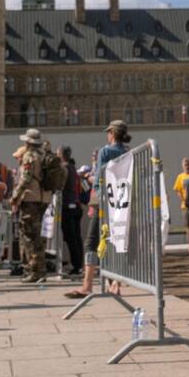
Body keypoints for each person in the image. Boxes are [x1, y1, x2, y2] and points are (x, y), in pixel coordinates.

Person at [65, 120, 129, 300]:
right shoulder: (128, 152)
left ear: (112, 134)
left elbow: (101, 177)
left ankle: (87, 285)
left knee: (91, 242)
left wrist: (90, 179)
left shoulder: (105, 151)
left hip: (104, 201)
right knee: (116, 242)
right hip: (122, 202)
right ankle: (115, 283)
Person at [10, 129, 52, 284]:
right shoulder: (44, 155)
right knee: (38, 236)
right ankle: (40, 270)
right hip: (44, 198)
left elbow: (26, 179)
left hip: (31, 199)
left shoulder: (30, 156)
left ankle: (35, 271)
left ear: (28, 142)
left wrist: (15, 196)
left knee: (29, 235)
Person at [59, 146, 84, 275]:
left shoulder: (64, 168)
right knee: (77, 237)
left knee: (71, 238)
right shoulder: (74, 168)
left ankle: (76, 265)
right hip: (76, 206)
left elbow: (60, 186)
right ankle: (79, 263)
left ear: (60, 154)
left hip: (67, 206)